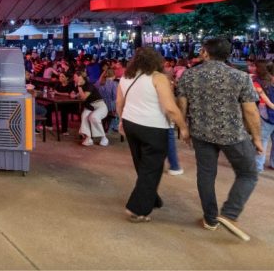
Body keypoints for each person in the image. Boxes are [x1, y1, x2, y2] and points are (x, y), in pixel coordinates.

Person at [177, 37, 262, 240]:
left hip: (201, 133)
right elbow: (251, 112)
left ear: (206, 52)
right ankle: (230, 213)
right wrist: (257, 138)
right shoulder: (240, 77)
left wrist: (183, 129)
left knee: (206, 175)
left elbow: (182, 105)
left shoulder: (189, 75)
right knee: (248, 173)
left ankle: (210, 219)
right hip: (233, 134)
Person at [117, 47, 189, 222]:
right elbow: (170, 107)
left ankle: (151, 198)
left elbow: (119, 103)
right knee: (152, 168)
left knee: (142, 164)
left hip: (131, 123)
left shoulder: (126, 77)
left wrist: (121, 120)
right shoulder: (158, 78)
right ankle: (137, 209)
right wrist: (183, 127)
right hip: (153, 127)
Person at [74, 71, 109, 146]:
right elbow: (76, 94)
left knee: (93, 117)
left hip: (100, 105)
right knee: (84, 116)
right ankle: (88, 138)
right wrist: (74, 94)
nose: (74, 79)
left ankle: (104, 137)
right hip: (90, 107)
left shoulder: (89, 85)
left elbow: (83, 98)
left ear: (81, 77)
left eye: (75, 77)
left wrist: (79, 87)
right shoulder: (79, 86)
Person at [251, 61, 274, 173]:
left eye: (254, 66)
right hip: (269, 114)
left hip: (267, 116)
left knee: (262, 140)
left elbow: (265, 100)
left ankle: (258, 167)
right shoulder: (268, 81)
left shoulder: (258, 82)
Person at [95, 67, 118, 132]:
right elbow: (114, 97)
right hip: (110, 107)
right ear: (114, 75)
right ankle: (113, 126)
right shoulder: (114, 84)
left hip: (99, 105)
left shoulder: (98, 83)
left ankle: (103, 126)